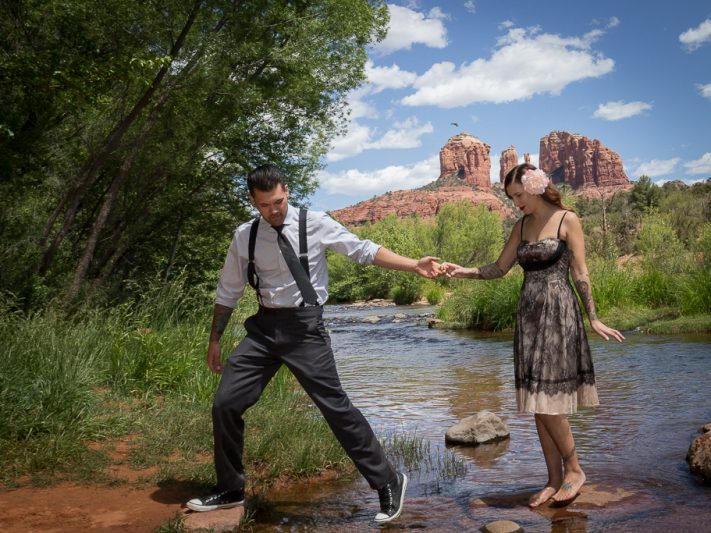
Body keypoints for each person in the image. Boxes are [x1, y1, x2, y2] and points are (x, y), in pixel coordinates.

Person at [186, 164, 441, 523]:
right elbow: (228, 290)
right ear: (253, 202)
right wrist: (214, 339)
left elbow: (363, 250)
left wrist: (414, 265)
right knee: (225, 403)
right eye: (264, 205)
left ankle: (388, 481)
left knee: (335, 408)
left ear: (286, 191)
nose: (273, 210)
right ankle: (230, 488)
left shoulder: (315, 222)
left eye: (277, 201)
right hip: (263, 329)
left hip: (306, 329)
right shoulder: (245, 236)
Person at [442, 163, 624, 508]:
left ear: (536, 187)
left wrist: (594, 318)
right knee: (538, 402)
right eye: (511, 198)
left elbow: (581, 272)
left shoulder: (566, 219)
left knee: (549, 399)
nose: (516, 203)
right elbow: (498, 268)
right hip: (529, 317)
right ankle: (554, 479)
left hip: (559, 314)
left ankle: (574, 471)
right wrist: (461, 270)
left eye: (519, 195)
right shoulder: (521, 226)